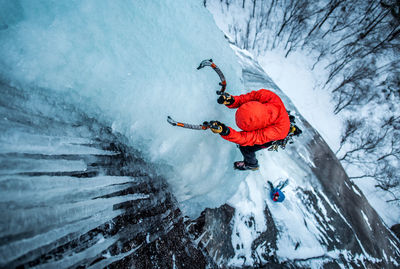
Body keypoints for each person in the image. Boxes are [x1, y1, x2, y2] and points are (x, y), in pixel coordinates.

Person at [208, 89, 290, 170]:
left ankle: (251, 164)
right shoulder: (267, 96)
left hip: (276, 135)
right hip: (278, 117)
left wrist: (226, 132)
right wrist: (233, 101)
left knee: (245, 148)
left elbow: (249, 138)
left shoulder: (276, 131)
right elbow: (248, 98)